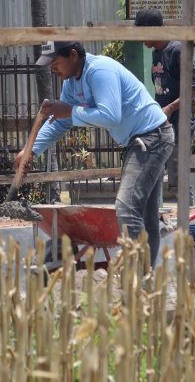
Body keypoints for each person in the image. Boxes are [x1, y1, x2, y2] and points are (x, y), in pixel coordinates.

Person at [17, 41, 174, 265]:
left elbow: (110, 115)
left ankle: (137, 281)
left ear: (72, 55)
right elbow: (60, 122)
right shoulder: (71, 83)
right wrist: (30, 150)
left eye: (55, 62)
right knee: (146, 217)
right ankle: (144, 285)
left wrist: (70, 110)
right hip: (140, 140)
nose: (52, 68)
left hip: (152, 138)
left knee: (127, 207)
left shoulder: (99, 70)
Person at [139, 9, 195, 205]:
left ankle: (189, 220)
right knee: (151, 173)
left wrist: (170, 108)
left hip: (180, 124)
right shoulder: (156, 53)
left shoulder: (177, 51)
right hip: (161, 124)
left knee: (178, 176)